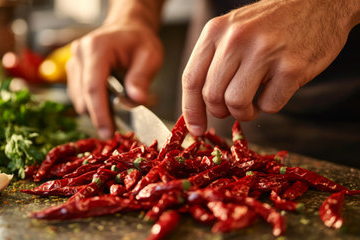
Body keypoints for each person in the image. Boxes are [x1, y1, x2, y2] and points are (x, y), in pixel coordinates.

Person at [65, 0, 360, 167]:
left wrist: (333, 7)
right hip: (222, 80)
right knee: (211, 163)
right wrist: (132, 14)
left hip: (348, 108)